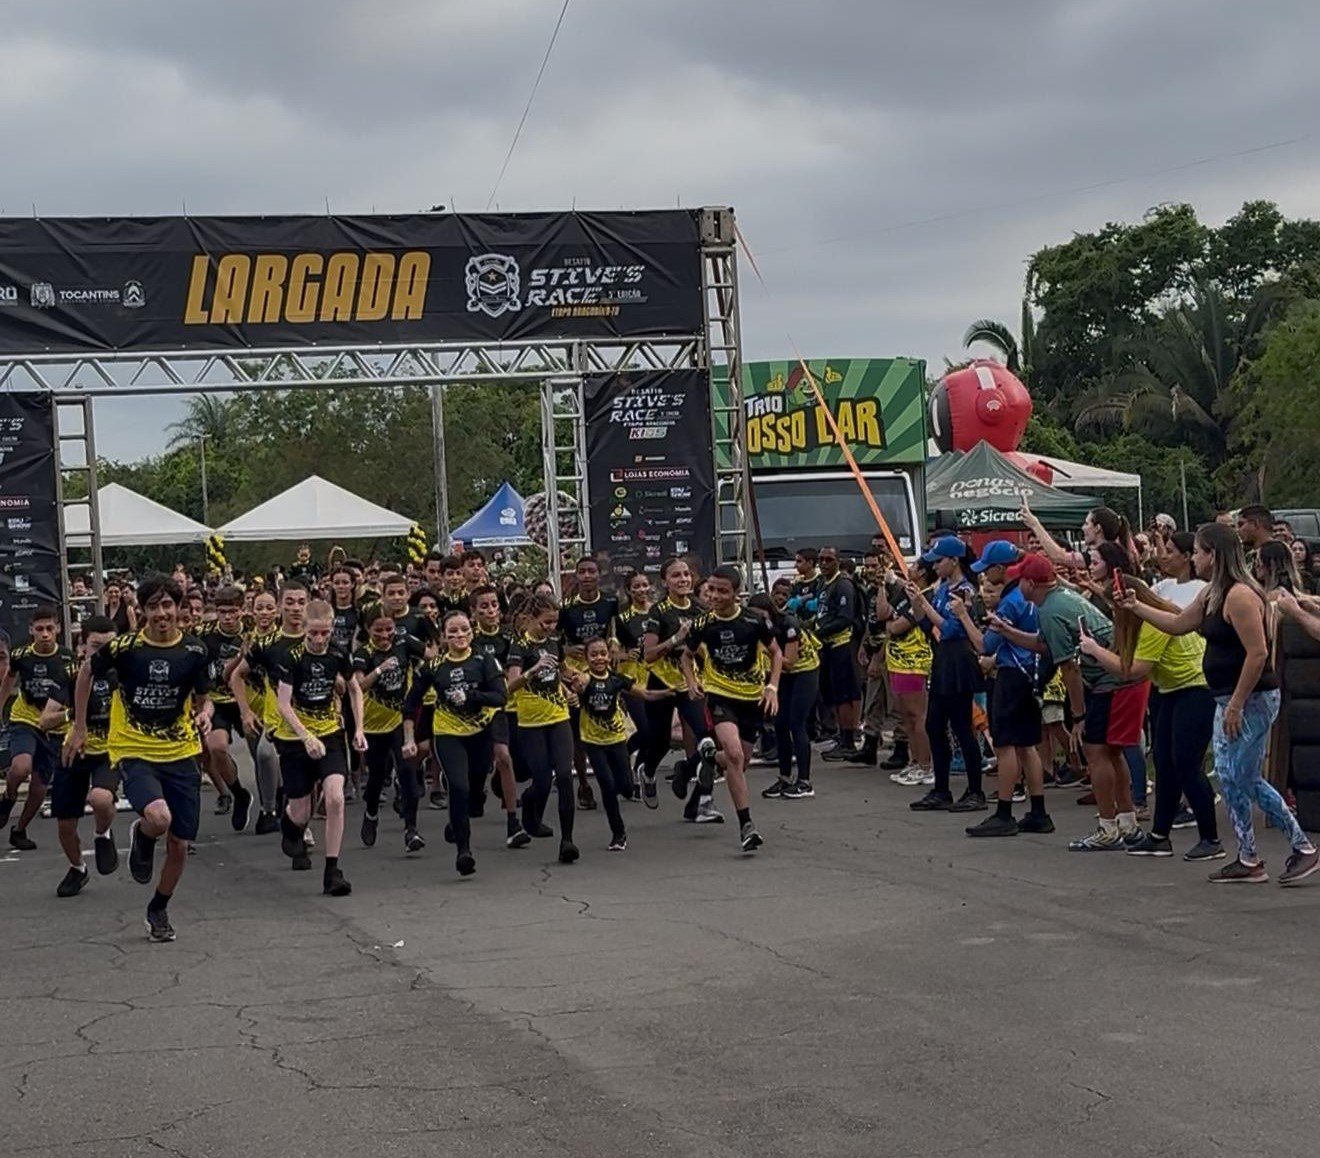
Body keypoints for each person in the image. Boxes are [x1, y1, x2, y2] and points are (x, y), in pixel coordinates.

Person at [1121, 524, 1319, 885]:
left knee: (1244, 775)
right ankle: (1248, 857)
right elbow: (1179, 624)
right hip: (1226, 697)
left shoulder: (1240, 596)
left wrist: (1237, 705)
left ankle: (1302, 847)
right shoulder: (1212, 594)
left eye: (1197, 551)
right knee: (1228, 775)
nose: (1193, 558)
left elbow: (1257, 655)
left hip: (1253, 699)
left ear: (1213, 554)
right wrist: (1138, 607)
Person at [66, 575, 213, 942]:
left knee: (179, 844)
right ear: (141, 611)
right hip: (134, 749)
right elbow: (86, 673)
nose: (161, 613)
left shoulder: (194, 651)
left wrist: (205, 712)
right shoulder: (126, 648)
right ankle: (146, 831)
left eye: (168, 605)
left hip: (181, 751)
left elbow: (203, 697)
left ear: (179, 608)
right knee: (159, 817)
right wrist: (80, 726)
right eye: (153, 607)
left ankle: (158, 907)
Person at [992, 555, 1147, 850]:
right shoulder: (1062, 598)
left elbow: (1070, 669)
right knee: (1112, 753)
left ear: (1029, 583)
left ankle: (1107, 828)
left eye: (1018, 580)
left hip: (1108, 681)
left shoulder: (1050, 610)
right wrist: (1007, 631)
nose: (1015, 586)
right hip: (1122, 677)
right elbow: (1043, 645)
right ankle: (1127, 823)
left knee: (1096, 752)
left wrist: (1078, 716)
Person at [1078, 576, 1222, 861]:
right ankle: (1159, 836)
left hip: (1194, 689)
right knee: (1165, 764)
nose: (1113, 613)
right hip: (1171, 688)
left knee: (1186, 764)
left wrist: (1094, 650)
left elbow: (1133, 670)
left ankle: (1211, 839)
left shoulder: (1154, 623)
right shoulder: (1150, 618)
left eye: (1113, 607)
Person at [680, 565, 781, 853]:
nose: (714, 596)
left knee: (740, 762)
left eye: (722, 591)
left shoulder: (754, 621)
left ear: (736, 594)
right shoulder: (702, 625)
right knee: (735, 756)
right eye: (711, 589)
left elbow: (776, 653)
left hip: (752, 699)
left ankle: (707, 756)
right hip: (720, 695)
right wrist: (690, 681)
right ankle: (747, 825)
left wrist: (772, 687)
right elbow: (686, 657)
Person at [273, 600, 366, 896]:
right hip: (295, 737)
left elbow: (354, 688)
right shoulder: (291, 657)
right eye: (313, 633)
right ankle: (289, 825)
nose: (318, 640)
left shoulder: (338, 654)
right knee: (301, 811)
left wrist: (359, 728)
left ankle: (333, 870)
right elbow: (283, 704)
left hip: (330, 732)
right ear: (305, 629)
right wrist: (305, 736)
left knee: (336, 798)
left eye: (324, 633)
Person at [405, 611, 507, 876]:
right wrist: (409, 737)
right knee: (458, 787)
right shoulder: (435, 666)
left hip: (480, 732)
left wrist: (472, 696)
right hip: (448, 732)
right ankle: (464, 851)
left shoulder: (484, 660)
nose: (459, 636)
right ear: (444, 637)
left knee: (473, 792)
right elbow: (411, 703)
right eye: (452, 632)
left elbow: (500, 697)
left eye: (463, 630)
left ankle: (460, 818)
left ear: (471, 632)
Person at [964, 542, 1052, 838]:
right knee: (1027, 744)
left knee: (1005, 745)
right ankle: (1038, 810)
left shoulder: (1010, 601)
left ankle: (1004, 812)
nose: (986, 576)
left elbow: (986, 645)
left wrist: (964, 617)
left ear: (1001, 568)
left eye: (988, 569)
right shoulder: (1028, 598)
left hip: (1011, 674)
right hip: (1031, 673)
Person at [904, 537, 987, 813]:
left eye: (939, 561)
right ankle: (941, 789)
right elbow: (928, 625)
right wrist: (917, 602)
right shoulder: (941, 590)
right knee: (934, 725)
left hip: (959, 660)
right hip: (942, 660)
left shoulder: (964, 590)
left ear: (954, 560)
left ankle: (975, 790)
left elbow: (951, 629)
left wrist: (926, 607)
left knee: (962, 727)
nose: (935, 566)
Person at [569, 637, 674, 850]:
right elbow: (579, 684)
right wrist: (577, 686)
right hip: (593, 741)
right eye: (594, 655)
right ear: (587, 659)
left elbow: (643, 693)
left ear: (609, 656)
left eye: (603, 654)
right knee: (607, 786)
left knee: (626, 788)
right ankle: (618, 833)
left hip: (617, 740)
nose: (599, 658)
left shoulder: (617, 679)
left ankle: (630, 780)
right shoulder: (585, 678)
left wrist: (668, 693)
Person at [43, 616, 119, 896]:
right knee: (65, 823)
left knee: (100, 798)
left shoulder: (124, 672)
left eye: (108, 647)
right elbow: (45, 720)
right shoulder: (71, 674)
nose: (102, 654)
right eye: (96, 647)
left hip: (109, 750)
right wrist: (73, 715)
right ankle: (77, 868)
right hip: (74, 749)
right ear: (82, 646)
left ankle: (103, 834)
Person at [506, 593, 579, 863]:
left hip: (558, 716)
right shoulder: (519, 646)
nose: (550, 627)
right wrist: (532, 670)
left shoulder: (553, 642)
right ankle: (529, 805)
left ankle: (567, 840)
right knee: (542, 779)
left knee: (563, 775)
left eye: (554, 622)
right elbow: (511, 686)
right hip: (530, 722)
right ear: (532, 619)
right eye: (546, 622)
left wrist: (574, 681)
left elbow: (561, 670)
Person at [640, 556, 714, 819]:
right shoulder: (658, 612)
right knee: (659, 744)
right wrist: (675, 639)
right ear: (665, 582)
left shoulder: (700, 610)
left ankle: (700, 800)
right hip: (661, 683)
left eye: (686, 575)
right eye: (676, 576)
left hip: (689, 684)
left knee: (707, 740)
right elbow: (648, 654)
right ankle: (647, 773)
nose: (683, 580)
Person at [353, 603, 428, 853]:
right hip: (374, 725)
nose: (385, 636)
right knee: (376, 777)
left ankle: (411, 829)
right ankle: (371, 813)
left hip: (401, 721)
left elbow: (432, 656)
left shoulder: (404, 643)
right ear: (368, 630)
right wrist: (379, 670)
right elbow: (360, 686)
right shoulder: (363, 653)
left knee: (408, 771)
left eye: (389, 630)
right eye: (378, 631)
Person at [0, 604, 77, 850]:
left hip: (54, 726)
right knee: (21, 766)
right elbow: (8, 682)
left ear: (58, 629)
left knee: (39, 786)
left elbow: (76, 691)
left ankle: (20, 829)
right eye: (40, 629)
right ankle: (9, 796)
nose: (45, 634)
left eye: (49, 629)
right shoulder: (21, 655)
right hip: (26, 718)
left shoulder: (67, 658)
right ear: (31, 630)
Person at [468, 585, 531, 846]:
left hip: (505, 708)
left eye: (494, 604)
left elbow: (515, 671)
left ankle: (513, 822)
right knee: (479, 766)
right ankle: (475, 792)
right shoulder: (469, 640)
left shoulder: (510, 639)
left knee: (508, 759)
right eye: (484, 606)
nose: (491, 610)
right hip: (474, 711)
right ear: (473, 612)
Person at [559, 556, 619, 810]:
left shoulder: (609, 602)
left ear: (598, 574)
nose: (586, 576)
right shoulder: (567, 607)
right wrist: (566, 648)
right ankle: (583, 783)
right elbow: (555, 638)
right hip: (576, 673)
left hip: (603, 671)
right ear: (576, 575)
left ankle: (616, 775)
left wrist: (614, 644)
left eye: (591, 571)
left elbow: (615, 632)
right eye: (581, 571)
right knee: (578, 732)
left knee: (611, 721)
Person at [748, 593, 817, 800]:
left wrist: (768, 651)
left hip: (804, 672)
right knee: (779, 723)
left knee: (797, 724)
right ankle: (784, 777)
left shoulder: (788, 624)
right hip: (781, 675)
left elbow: (790, 661)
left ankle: (804, 780)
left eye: (760, 616)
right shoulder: (759, 629)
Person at [198, 586, 254, 830]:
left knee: (263, 753)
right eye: (222, 612)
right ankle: (238, 793)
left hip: (250, 700)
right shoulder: (204, 635)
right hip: (217, 700)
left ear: (242, 611)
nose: (228, 617)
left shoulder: (252, 634)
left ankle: (274, 804)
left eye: (233, 612)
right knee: (216, 747)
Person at [873, 565, 933, 788]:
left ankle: (926, 765)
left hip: (914, 662)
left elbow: (896, 627)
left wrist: (890, 625)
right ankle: (915, 761)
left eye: (916, 566)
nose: (909, 568)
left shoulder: (925, 596)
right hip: (896, 661)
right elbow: (883, 614)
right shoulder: (905, 592)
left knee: (917, 716)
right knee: (906, 716)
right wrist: (882, 584)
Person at [816, 547, 865, 762]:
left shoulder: (843, 585)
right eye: (821, 559)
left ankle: (848, 740)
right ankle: (841, 734)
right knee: (833, 694)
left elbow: (844, 617)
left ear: (838, 561)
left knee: (845, 694)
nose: (824, 563)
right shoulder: (823, 584)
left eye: (829, 559)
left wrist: (818, 630)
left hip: (842, 644)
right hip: (826, 646)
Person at [614, 570, 656, 801]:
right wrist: (624, 655)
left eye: (644, 585)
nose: (641, 590)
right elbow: (610, 652)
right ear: (628, 591)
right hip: (631, 681)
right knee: (646, 729)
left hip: (656, 678)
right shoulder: (621, 618)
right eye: (636, 587)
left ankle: (629, 765)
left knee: (655, 733)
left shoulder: (658, 612)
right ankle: (629, 768)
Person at [1151, 531, 1207, 609]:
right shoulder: (1163, 585)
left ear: (1186, 556)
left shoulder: (1202, 589)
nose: (1164, 556)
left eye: (1169, 551)